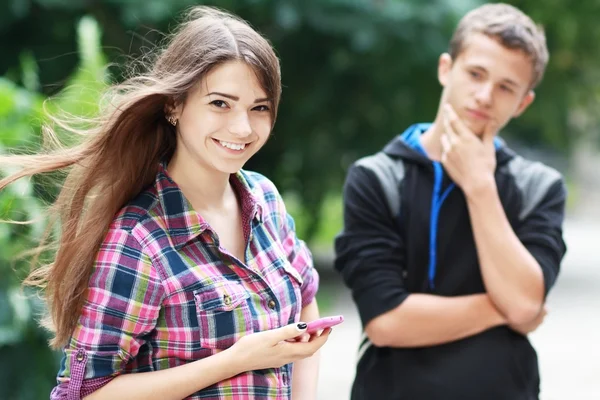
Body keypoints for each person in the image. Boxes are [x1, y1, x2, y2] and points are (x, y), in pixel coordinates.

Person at [0, 6, 331, 400]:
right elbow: (83, 393)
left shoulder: (266, 199)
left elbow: (306, 303)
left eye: (259, 107)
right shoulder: (138, 240)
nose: (243, 127)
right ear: (174, 106)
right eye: (220, 104)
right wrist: (234, 360)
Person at [334, 3, 567, 400]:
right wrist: (508, 309)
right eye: (475, 74)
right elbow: (387, 321)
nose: (484, 96)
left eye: (506, 87)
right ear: (446, 69)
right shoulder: (376, 178)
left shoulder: (538, 187)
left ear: (523, 102)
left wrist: (480, 185)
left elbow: (526, 302)